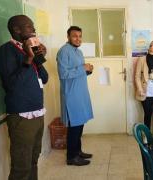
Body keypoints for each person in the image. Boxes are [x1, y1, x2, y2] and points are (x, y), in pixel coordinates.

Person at [0, 15, 48, 180]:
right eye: (29, 27)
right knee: (21, 167)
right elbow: (12, 85)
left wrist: (38, 58)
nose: (33, 30)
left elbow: (44, 78)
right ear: (16, 30)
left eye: (33, 27)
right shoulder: (6, 51)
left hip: (37, 113)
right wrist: (28, 58)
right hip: (21, 116)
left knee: (33, 160)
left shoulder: (30, 49)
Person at [56, 26, 94, 166]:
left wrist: (88, 70)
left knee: (80, 124)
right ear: (68, 37)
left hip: (81, 94)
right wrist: (82, 68)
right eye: (74, 36)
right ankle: (71, 157)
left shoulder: (79, 52)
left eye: (80, 36)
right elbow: (63, 74)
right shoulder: (63, 52)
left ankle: (78, 151)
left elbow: (79, 71)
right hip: (71, 95)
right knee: (74, 127)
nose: (78, 39)